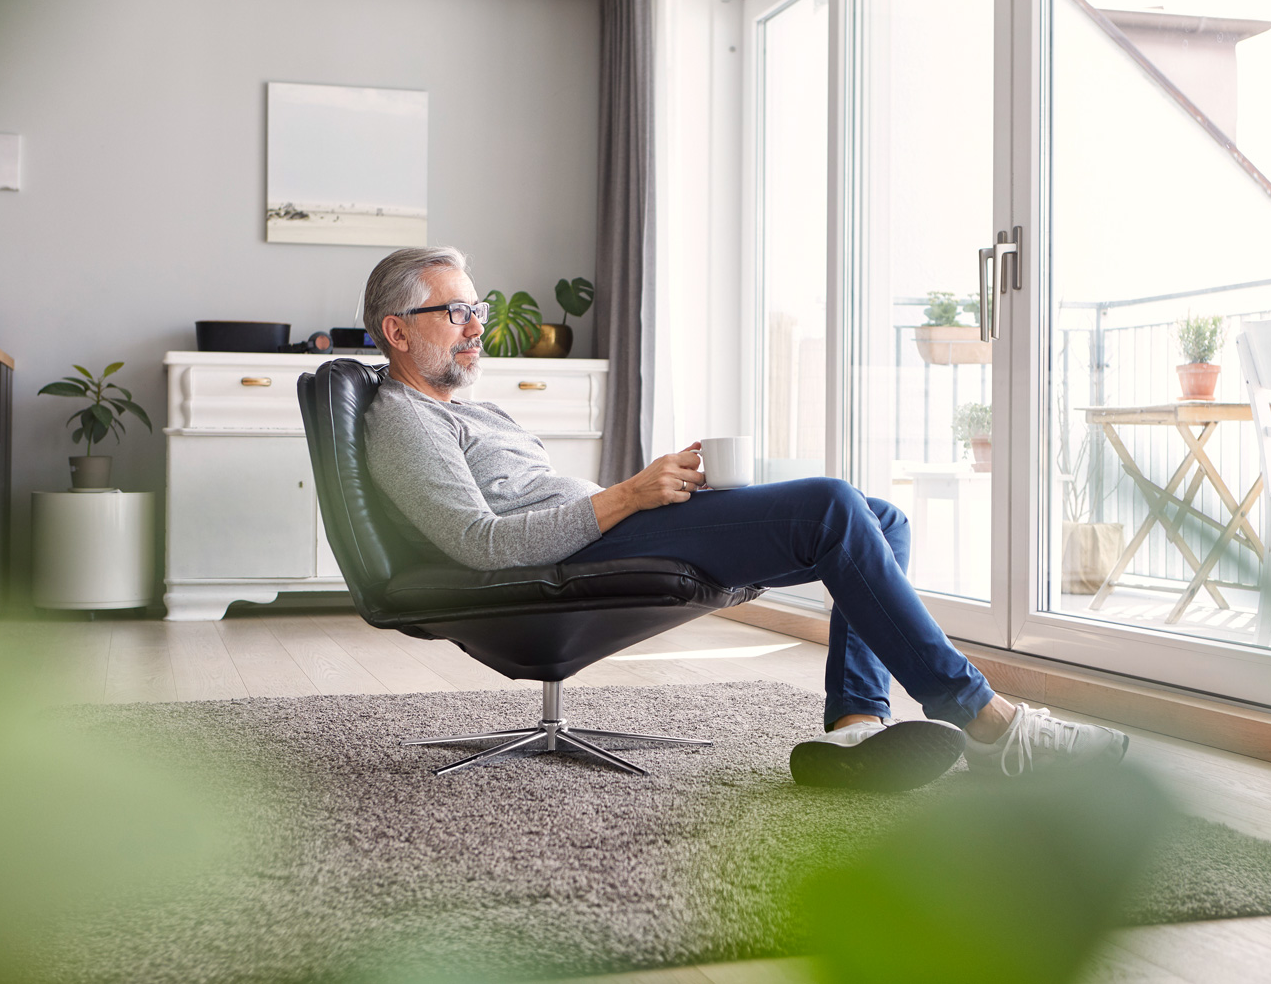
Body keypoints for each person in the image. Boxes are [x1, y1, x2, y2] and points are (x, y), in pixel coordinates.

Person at [362, 247, 1128, 791]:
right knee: (831, 503)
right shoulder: (402, 419)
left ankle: (857, 724)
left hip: (607, 529)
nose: (475, 324)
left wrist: (651, 491)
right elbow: (481, 543)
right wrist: (630, 494)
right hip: (580, 554)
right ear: (397, 331)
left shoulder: (470, 408)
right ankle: (985, 719)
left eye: (477, 308)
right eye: (454, 309)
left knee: (878, 516)